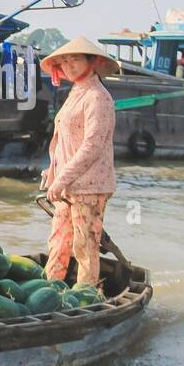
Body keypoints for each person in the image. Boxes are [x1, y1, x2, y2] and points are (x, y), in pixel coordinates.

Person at [39, 36, 118, 287]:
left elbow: (92, 146)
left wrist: (62, 178)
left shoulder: (97, 97)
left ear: (92, 61)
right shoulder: (77, 92)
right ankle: (50, 291)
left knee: (84, 245)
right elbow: (65, 141)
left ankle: (85, 297)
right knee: (58, 241)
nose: (69, 65)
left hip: (90, 186)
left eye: (75, 59)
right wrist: (52, 172)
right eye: (64, 61)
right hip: (67, 185)